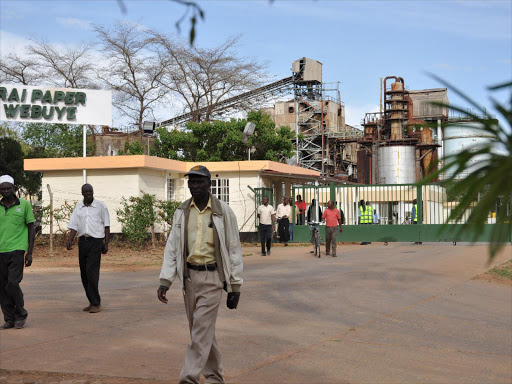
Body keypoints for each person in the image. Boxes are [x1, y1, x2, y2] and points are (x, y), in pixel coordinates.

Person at [157, 165, 243, 384]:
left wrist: (235, 286)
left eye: (199, 182)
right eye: (191, 182)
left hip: (213, 278)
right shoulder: (182, 211)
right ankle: (215, 377)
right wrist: (165, 280)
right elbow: (173, 247)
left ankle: (189, 379)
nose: (194, 186)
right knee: (203, 332)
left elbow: (233, 249)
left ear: (209, 184)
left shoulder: (223, 211)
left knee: (200, 333)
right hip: (190, 279)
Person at [66, 184, 110, 313]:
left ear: (93, 192)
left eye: (90, 191)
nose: (88, 193)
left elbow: (106, 226)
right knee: (84, 274)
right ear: (82, 193)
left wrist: (106, 244)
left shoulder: (100, 206)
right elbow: (74, 225)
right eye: (86, 191)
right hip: (83, 242)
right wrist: (70, 240)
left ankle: (96, 303)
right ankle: (92, 301)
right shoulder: (78, 207)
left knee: (92, 272)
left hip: (96, 242)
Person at [0, 175, 35, 330]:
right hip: (1, 251)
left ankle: (21, 314)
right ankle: (9, 319)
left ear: (13, 188)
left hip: (17, 250)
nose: (6, 191)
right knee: (2, 287)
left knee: (12, 284)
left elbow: (31, 228)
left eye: (8, 188)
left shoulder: (25, 205)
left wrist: (30, 252)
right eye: (3, 189)